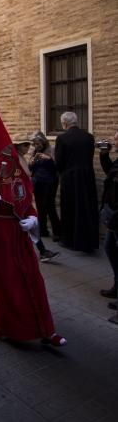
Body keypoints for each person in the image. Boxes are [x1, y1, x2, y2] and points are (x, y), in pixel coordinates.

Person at [0, 82, 66, 347]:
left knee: (33, 282)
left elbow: (29, 205)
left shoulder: (23, 177)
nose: (11, 159)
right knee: (6, 286)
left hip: (20, 237)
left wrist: (34, 220)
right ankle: (3, 325)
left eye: (13, 153)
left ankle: (46, 329)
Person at [55, 112, 99, 252]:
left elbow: (59, 162)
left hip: (70, 178)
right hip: (87, 177)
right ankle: (89, 241)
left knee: (70, 209)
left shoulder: (62, 138)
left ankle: (69, 240)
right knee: (87, 207)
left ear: (65, 124)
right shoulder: (89, 137)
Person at [14, 137, 59, 263]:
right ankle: (40, 251)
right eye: (25, 145)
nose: (28, 148)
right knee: (27, 225)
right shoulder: (15, 158)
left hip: (26, 195)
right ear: (18, 146)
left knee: (31, 224)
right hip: (18, 198)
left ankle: (42, 251)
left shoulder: (22, 157)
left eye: (29, 145)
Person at [97, 131, 118, 325]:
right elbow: (111, 172)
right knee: (110, 248)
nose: (114, 139)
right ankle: (117, 286)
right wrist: (104, 155)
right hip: (113, 214)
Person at [27, 131, 61, 241]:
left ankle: (57, 232)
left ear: (43, 142)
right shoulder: (35, 151)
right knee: (40, 206)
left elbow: (57, 166)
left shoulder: (51, 149)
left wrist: (49, 159)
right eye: (35, 144)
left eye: (38, 143)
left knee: (49, 205)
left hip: (50, 181)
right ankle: (43, 230)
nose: (36, 146)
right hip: (38, 181)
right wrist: (31, 163)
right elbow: (30, 168)